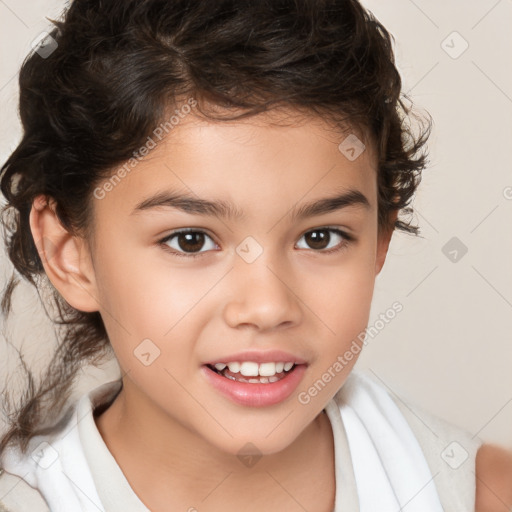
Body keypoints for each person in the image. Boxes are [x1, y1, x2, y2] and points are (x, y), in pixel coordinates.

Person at [0, 0, 511, 510]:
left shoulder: (484, 494)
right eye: (191, 240)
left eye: (320, 237)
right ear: (70, 253)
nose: (267, 307)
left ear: (381, 236)